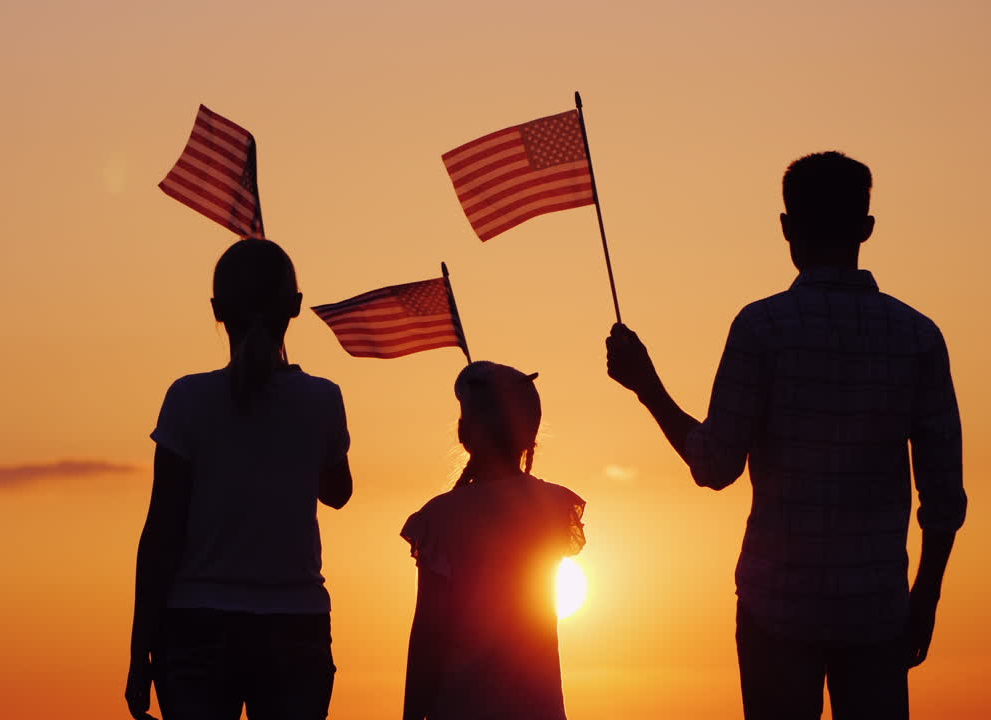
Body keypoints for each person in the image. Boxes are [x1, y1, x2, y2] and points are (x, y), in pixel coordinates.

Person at [605, 151, 966, 719]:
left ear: (787, 229)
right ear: (867, 229)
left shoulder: (762, 328)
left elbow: (715, 466)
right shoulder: (919, 336)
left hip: (777, 608)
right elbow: (944, 498)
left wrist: (647, 386)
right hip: (877, 608)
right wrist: (925, 599)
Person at [125, 237, 354, 720]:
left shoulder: (187, 399)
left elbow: (161, 532)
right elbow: (339, 493)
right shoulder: (321, 400)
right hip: (296, 628)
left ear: (217, 309)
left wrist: (138, 652)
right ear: (294, 307)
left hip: (195, 626)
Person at [401, 361, 586, 720]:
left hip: (462, 706)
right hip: (538, 707)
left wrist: (411, 716)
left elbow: (427, 630)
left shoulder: (442, 518)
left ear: (464, 432)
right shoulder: (553, 507)